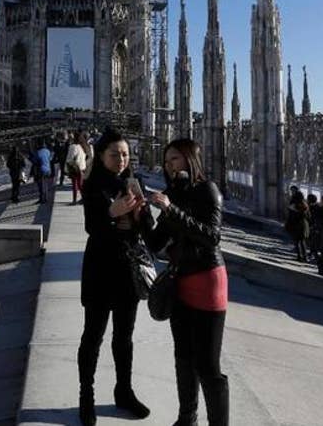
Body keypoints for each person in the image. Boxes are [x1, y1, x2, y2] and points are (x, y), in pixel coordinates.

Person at [145, 138, 230, 426]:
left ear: (190, 160)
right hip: (179, 279)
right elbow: (156, 243)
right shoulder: (174, 194)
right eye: (167, 161)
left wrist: (171, 210)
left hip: (207, 280)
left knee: (207, 365)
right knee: (183, 356)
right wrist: (139, 214)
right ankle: (186, 419)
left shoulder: (208, 190)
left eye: (175, 160)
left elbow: (211, 237)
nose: (169, 166)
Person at [77, 128, 153, 425]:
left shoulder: (135, 183)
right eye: (114, 154)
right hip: (99, 269)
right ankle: (87, 397)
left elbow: (144, 227)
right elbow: (92, 228)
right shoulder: (93, 185)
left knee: (124, 337)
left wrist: (141, 214)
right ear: (102, 156)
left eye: (125, 154)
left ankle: (124, 391)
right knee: (93, 336)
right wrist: (111, 212)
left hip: (127, 272)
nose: (121, 159)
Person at [285, 194, 310, 262]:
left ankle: (299, 256)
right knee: (302, 242)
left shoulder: (293, 206)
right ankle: (305, 257)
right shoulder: (305, 205)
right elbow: (308, 216)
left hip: (296, 226)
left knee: (297, 242)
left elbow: (291, 217)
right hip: (304, 225)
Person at [66, 131, 88, 205]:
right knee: (80, 184)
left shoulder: (73, 147)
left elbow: (69, 159)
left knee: (75, 184)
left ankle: (74, 200)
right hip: (82, 167)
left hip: (75, 168)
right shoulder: (82, 146)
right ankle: (84, 198)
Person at [35, 140, 54, 204]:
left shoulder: (38, 152)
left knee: (41, 185)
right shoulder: (48, 151)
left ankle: (43, 199)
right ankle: (45, 198)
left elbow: (35, 161)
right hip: (48, 170)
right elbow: (50, 159)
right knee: (45, 184)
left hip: (41, 170)